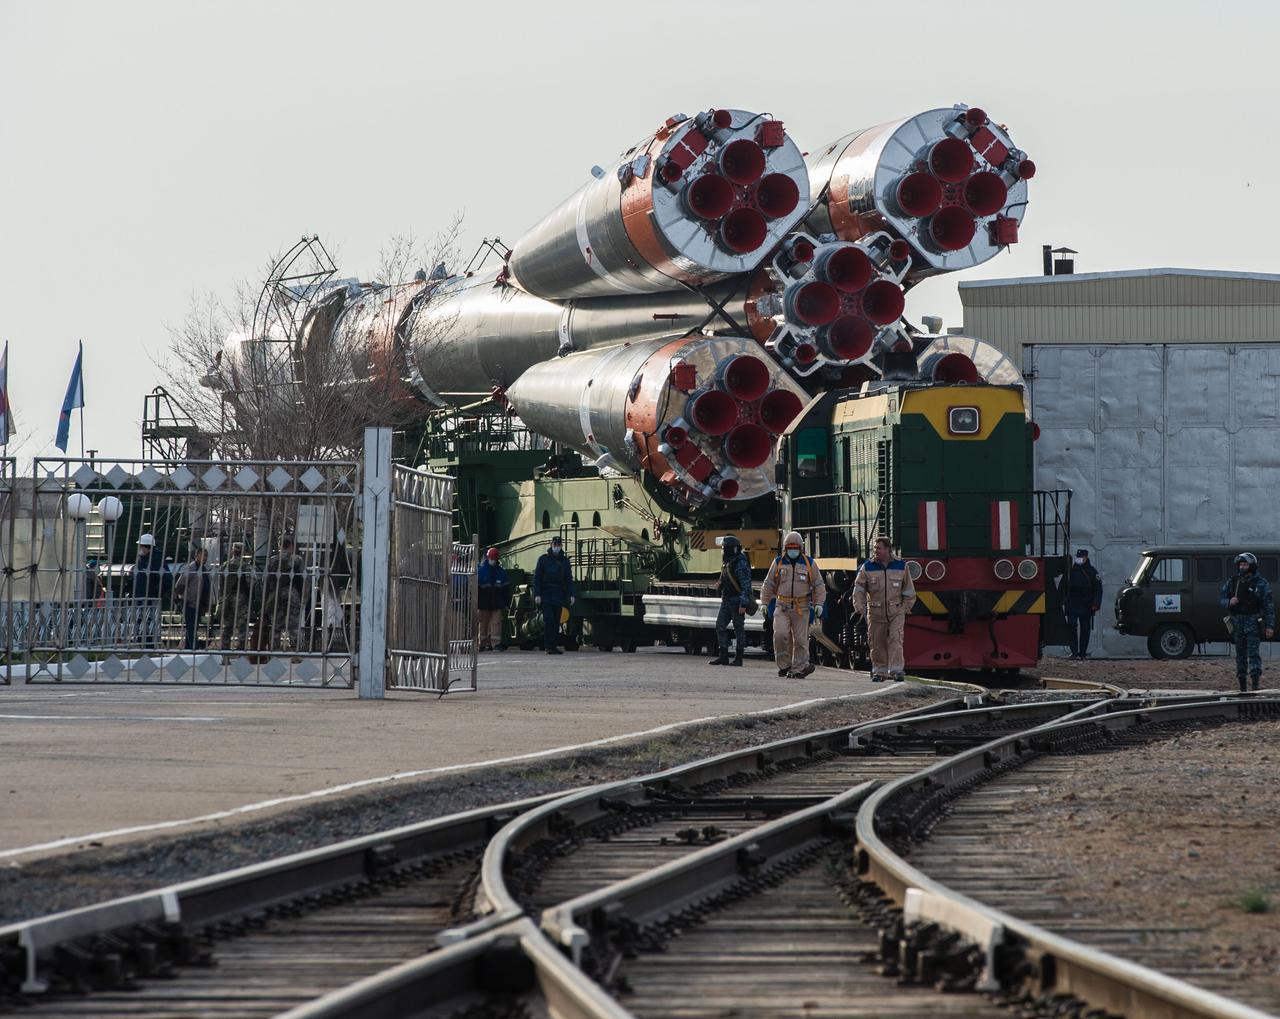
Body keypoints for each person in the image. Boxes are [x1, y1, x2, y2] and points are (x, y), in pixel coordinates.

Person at [760, 531, 826, 678]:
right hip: (782, 606)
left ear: (801, 548)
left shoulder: (809, 564)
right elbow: (768, 584)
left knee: (801, 640)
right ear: (785, 548)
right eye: (790, 547)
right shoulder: (778, 563)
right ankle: (784, 665)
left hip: (801, 608)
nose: (793, 550)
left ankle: (798, 668)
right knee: (780, 635)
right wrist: (764, 602)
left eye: (795, 547)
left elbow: (819, 585)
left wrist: (819, 604)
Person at [852, 536, 917, 681]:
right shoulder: (867, 567)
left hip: (896, 611)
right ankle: (880, 671)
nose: (876, 551)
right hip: (875, 612)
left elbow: (909, 590)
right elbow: (859, 589)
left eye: (879, 548)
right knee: (877, 642)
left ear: (888, 549)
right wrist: (859, 607)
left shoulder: (901, 566)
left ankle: (896, 670)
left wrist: (905, 609)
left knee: (896, 639)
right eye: (875, 548)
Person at [1220, 552, 1276, 692]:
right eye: (1241, 565)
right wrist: (1229, 602)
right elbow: (1221, 599)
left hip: (1253, 623)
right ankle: (1243, 687)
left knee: (1253, 654)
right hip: (1237, 623)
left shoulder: (1261, 583)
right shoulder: (1233, 581)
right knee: (1240, 656)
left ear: (1252, 566)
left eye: (1245, 564)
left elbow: (1268, 606)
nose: (1242, 567)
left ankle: (1255, 686)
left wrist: (1269, 626)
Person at [256, 535, 306, 653]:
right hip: (292, 594)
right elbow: (304, 580)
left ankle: (274, 651)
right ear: (291, 546)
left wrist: (267, 598)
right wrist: (303, 597)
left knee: (276, 625)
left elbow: (265, 580)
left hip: (276, 595)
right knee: (293, 625)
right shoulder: (297, 560)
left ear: (280, 545)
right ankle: (295, 652)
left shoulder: (272, 560)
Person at [709, 535, 752, 667]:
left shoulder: (740, 564)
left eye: (724, 548)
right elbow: (724, 577)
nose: (722, 550)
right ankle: (724, 656)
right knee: (720, 625)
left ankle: (738, 658)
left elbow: (746, 585)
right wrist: (720, 585)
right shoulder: (728, 562)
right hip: (726, 600)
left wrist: (743, 603)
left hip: (737, 601)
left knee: (738, 629)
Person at [532, 535, 574, 655]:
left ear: (561, 546)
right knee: (549, 620)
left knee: (556, 622)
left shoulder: (565, 561)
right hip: (546, 594)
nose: (556, 547)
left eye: (558, 545)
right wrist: (537, 594)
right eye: (555, 545)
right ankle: (548, 645)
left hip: (558, 595)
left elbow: (568, 579)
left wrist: (571, 594)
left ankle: (553, 646)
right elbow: (537, 578)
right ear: (551, 545)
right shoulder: (543, 559)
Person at [1061, 547, 1103, 660]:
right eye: (1078, 557)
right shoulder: (1070, 571)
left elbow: (1098, 589)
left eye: (1082, 557)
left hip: (1086, 604)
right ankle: (1074, 652)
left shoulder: (1092, 572)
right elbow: (1063, 587)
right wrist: (1062, 601)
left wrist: (1095, 603)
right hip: (1072, 603)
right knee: (1071, 627)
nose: (1080, 559)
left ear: (1086, 558)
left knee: (1085, 629)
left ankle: (1083, 653)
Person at [217, 542, 257, 651]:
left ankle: (225, 652)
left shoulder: (225, 565)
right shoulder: (246, 567)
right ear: (242, 552)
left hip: (227, 598)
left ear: (232, 551)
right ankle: (241, 652)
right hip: (241, 599)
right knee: (242, 627)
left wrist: (222, 598)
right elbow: (252, 582)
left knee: (227, 626)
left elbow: (220, 584)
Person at [130, 533, 169, 646]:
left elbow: (167, 579)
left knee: (149, 622)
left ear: (147, 547)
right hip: (139, 598)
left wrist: (156, 592)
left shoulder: (156, 560)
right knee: (140, 622)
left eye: (141, 546)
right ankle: (141, 643)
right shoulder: (141, 559)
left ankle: (149, 645)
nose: (140, 548)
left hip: (150, 599)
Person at [174, 547, 214, 650]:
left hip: (199, 605)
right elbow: (180, 584)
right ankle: (193, 647)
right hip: (190, 603)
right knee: (191, 627)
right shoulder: (191, 568)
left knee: (193, 627)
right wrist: (180, 597)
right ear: (197, 556)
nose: (204, 558)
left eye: (206, 556)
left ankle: (188, 647)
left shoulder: (204, 570)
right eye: (202, 555)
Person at [477, 547, 511, 652]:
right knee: (483, 624)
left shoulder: (501, 573)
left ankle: (495, 644)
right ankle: (481, 644)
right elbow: (476, 588)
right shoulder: (481, 572)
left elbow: (506, 589)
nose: (493, 561)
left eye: (494, 559)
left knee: (496, 624)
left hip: (497, 603)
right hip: (484, 603)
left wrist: (506, 603)